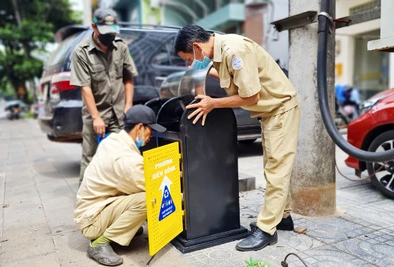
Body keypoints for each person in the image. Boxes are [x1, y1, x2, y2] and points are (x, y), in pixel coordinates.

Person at [174, 25, 300, 252]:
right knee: (273, 166)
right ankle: (283, 217)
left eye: (189, 58)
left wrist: (213, 103)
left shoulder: (234, 50)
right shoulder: (220, 54)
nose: (190, 64)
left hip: (280, 109)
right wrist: (200, 87)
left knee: (276, 169)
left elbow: (251, 95)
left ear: (196, 47)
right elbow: (218, 76)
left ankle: (266, 230)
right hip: (269, 112)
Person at [74, 105, 166, 266]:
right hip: (92, 220)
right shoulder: (126, 159)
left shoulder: (113, 140)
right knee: (149, 198)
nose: (152, 135)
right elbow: (152, 187)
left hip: (90, 209)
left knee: (138, 195)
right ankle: (99, 244)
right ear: (139, 128)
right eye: (150, 129)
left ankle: (122, 225)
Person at [70, 8, 138, 186]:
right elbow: (85, 88)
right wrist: (96, 117)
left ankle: (116, 195)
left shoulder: (121, 46)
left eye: (113, 31)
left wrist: (128, 104)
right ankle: (85, 201)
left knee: (122, 155)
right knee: (90, 157)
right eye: (106, 32)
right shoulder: (81, 52)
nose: (110, 36)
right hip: (96, 113)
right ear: (94, 26)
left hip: (119, 113)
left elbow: (128, 76)